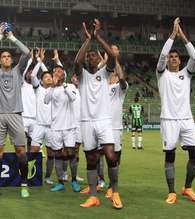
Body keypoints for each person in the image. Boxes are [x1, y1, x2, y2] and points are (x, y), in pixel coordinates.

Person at [74, 19, 122, 209]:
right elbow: (77, 60)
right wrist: (87, 40)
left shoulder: (104, 73)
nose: (91, 57)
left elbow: (111, 55)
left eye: (94, 56)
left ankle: (115, 191)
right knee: (92, 159)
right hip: (86, 121)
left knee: (111, 155)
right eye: (89, 56)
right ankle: (93, 195)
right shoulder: (83, 75)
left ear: (99, 59)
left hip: (103, 120)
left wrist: (97, 36)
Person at [0, 23, 31, 198]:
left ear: (11, 60)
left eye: (8, 56)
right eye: (3, 56)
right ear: (0, 60)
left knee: (21, 151)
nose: (5, 58)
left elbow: (26, 53)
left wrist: (11, 37)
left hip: (16, 115)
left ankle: (24, 185)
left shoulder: (18, 71)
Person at [156, 17, 195, 204]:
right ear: (167, 61)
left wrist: (182, 35)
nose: (172, 59)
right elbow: (161, 56)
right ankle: (172, 191)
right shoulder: (162, 73)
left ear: (180, 60)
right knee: (170, 154)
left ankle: (187, 188)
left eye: (175, 57)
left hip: (186, 119)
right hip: (168, 119)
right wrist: (172, 35)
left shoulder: (186, 74)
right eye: (170, 57)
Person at [44, 64, 80, 193]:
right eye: (55, 72)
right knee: (57, 155)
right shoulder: (51, 89)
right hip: (55, 128)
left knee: (71, 154)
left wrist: (63, 85)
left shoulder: (70, 86)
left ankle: (74, 180)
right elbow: (46, 101)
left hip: (69, 127)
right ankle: (60, 182)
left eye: (60, 71)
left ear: (64, 74)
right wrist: (52, 87)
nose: (57, 74)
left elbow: (73, 97)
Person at [105, 46, 128, 200]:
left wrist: (115, 58)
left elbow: (122, 79)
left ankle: (111, 186)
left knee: (114, 158)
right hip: (100, 126)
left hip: (115, 127)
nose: (113, 75)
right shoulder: (100, 86)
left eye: (115, 73)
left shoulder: (120, 89)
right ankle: (99, 182)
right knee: (97, 156)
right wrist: (108, 59)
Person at [29, 48, 55, 185]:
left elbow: (48, 74)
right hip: (38, 125)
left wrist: (42, 62)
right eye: (46, 77)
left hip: (52, 127)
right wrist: (40, 61)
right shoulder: (38, 89)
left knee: (51, 154)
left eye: (50, 77)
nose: (49, 78)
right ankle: (30, 175)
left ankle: (48, 177)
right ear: (41, 80)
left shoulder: (55, 89)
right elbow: (33, 75)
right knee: (33, 151)